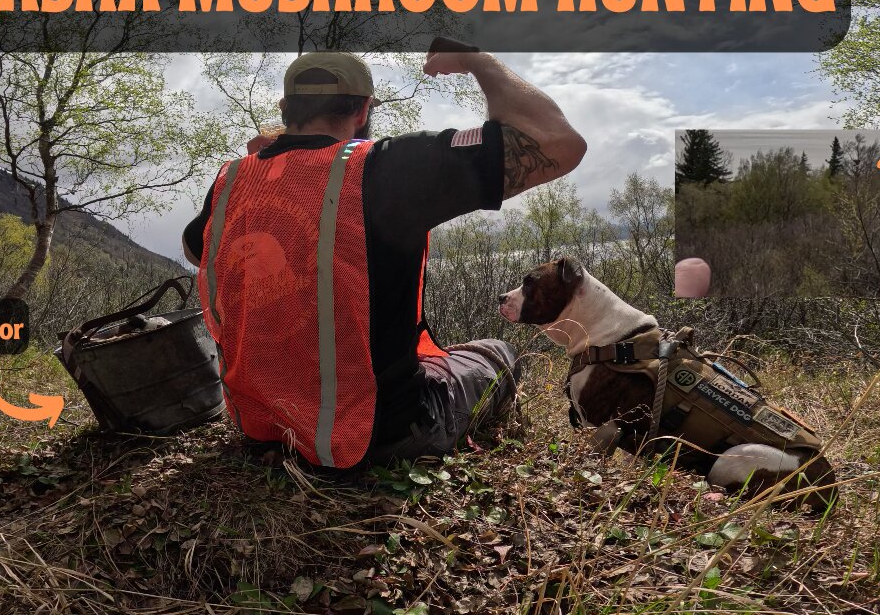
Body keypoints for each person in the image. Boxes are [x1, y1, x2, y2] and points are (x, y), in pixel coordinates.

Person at [182, 49, 586, 468]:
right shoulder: (387, 168)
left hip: (263, 427)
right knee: (499, 351)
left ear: (286, 110)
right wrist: (477, 60)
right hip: (379, 435)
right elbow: (558, 142)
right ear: (362, 110)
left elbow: (198, 250)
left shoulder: (232, 180)